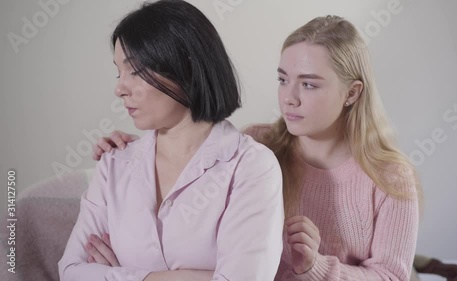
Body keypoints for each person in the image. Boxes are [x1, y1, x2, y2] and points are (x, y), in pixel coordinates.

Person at [93, 15, 421, 281]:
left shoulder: (390, 176)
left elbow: (391, 276)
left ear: (352, 93)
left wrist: (315, 268)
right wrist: (141, 151)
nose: (289, 97)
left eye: (308, 84)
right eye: (282, 79)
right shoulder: (258, 145)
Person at [58, 1, 284, 281]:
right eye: (119, 72)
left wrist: (119, 275)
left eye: (136, 71)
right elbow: (70, 272)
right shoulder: (114, 163)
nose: (119, 89)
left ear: (185, 67)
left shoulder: (251, 166)